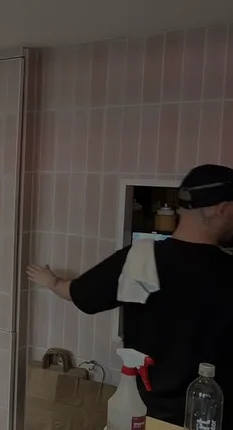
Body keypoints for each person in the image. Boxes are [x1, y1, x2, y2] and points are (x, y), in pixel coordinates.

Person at [26, 164, 233, 425]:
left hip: (146, 416)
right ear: (219, 208)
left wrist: (51, 281)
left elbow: (81, 295)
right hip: (211, 417)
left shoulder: (140, 259)